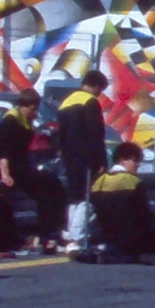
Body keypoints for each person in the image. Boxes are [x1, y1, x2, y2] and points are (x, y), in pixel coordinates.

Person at [0, 88, 65, 254]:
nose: (35, 113)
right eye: (34, 109)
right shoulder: (10, 121)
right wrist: (6, 175)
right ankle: (31, 237)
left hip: (22, 167)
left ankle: (46, 234)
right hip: (9, 169)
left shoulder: (25, 120)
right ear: (26, 107)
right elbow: (1, 151)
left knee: (53, 186)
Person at [80, 142, 155, 265]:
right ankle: (138, 256)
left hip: (106, 235)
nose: (138, 165)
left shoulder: (98, 182)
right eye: (135, 161)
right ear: (123, 161)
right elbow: (144, 217)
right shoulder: (134, 182)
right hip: (132, 236)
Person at [57, 70, 109, 251]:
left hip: (69, 156)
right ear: (96, 86)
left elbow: (60, 134)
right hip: (86, 156)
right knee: (86, 197)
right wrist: (101, 160)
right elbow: (96, 134)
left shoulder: (66, 102)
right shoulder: (90, 102)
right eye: (100, 90)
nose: (99, 94)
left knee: (74, 197)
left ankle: (70, 235)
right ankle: (77, 238)